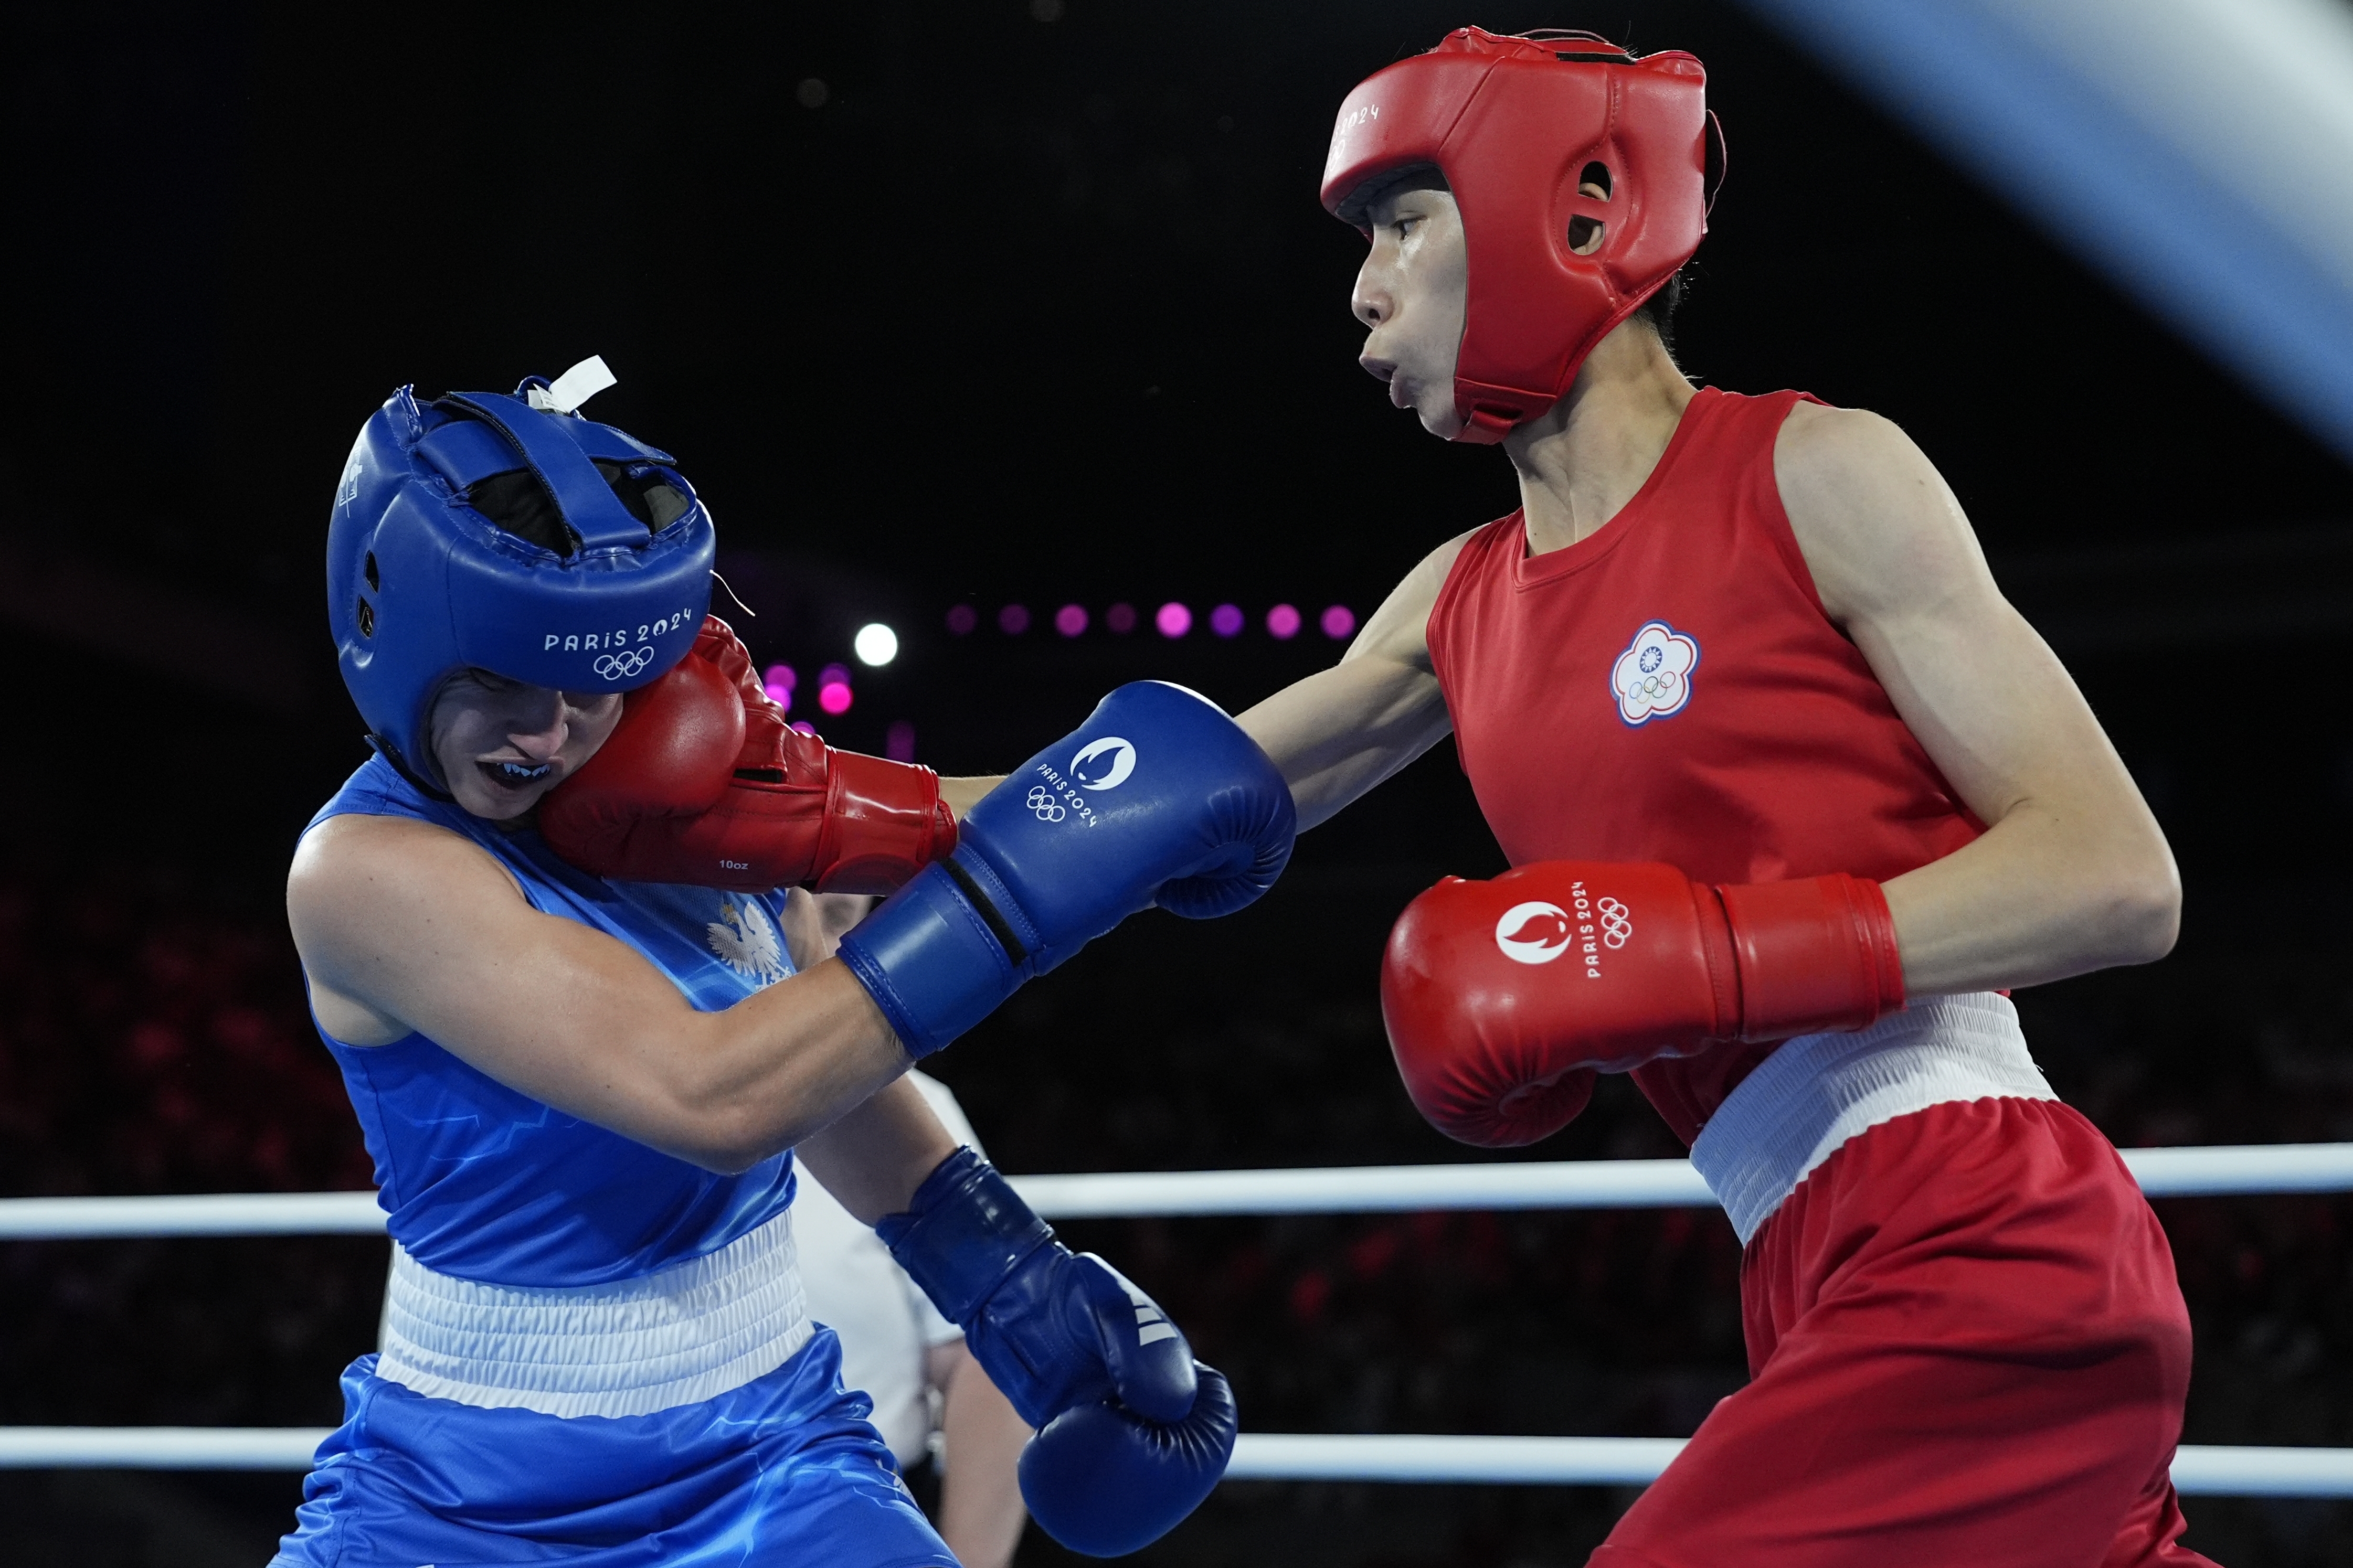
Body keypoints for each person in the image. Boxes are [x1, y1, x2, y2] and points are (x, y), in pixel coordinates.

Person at [1224, 27, 2210, 1567]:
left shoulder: (1814, 472)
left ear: (1576, 209)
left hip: (1983, 1236)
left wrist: (1718, 956)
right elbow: (1153, 805)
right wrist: (838, 817)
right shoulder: (1457, 602)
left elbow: (2114, 875)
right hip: (1805, 1260)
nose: (1361, 290)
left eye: (1401, 225)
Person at [275, 364, 1286, 1565]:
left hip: (772, 1461)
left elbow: (815, 1066)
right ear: (394, 637)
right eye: (498, 681)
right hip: (464, 1509)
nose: (548, 735)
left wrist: (1006, 1275)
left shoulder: (663, 792)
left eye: (587, 684)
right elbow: (716, 1093)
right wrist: (1028, 891)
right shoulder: (362, 871)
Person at [787, 1048, 1030, 1568]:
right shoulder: (600, 1110)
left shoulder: (907, 1110)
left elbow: (983, 1351)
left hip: (871, 1517)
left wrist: (972, 1562)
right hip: (645, 1515)